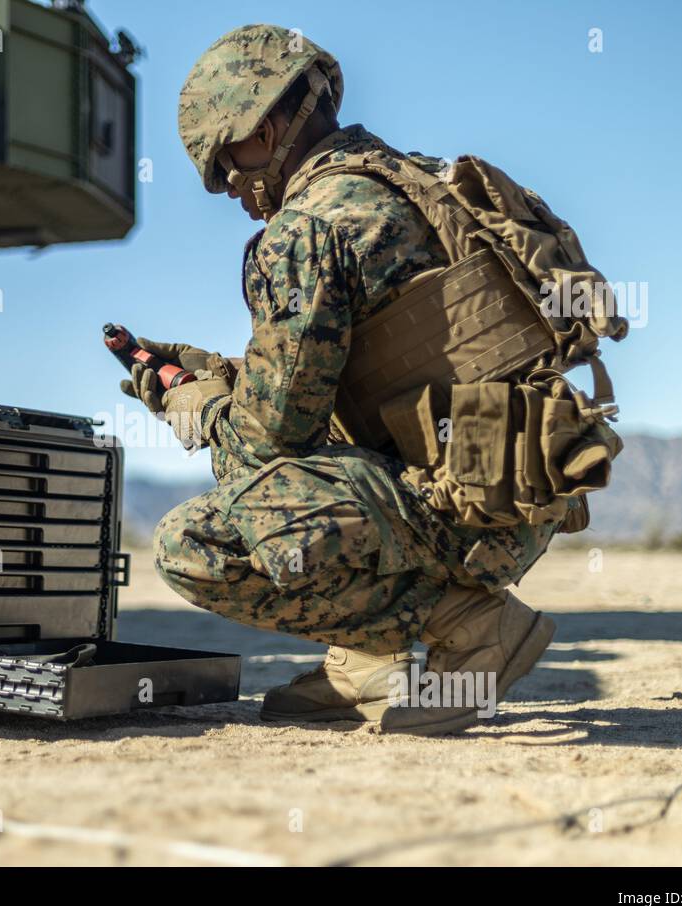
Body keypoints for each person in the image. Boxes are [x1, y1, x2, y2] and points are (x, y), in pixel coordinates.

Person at [120, 24, 560, 734]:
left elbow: (268, 444)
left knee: (198, 543)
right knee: (288, 472)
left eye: (225, 166)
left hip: (454, 513)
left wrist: (195, 403)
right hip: (516, 494)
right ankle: (365, 663)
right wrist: (227, 375)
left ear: (263, 130)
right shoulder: (415, 180)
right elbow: (364, 373)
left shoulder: (307, 227)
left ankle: (473, 624)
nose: (230, 190)